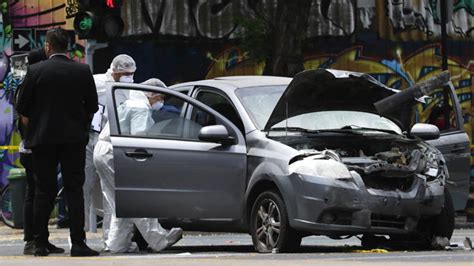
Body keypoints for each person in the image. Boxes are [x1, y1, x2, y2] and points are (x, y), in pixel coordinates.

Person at [15, 28, 99, 257]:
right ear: (68, 47)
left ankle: (40, 243)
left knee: (44, 190)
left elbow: (22, 106)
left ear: (48, 47)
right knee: (74, 190)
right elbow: (92, 106)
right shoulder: (82, 70)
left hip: (43, 140)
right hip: (73, 140)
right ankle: (78, 243)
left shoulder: (35, 70)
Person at [94, 78, 183, 253]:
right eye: (160, 98)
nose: (161, 103)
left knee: (121, 204)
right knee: (136, 200)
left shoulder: (131, 103)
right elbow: (138, 139)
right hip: (115, 154)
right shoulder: (140, 107)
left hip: (104, 151)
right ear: (152, 94)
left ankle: (116, 244)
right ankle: (158, 239)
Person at [14, 48, 65, 255]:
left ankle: (40, 237)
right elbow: (24, 116)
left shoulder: (29, 82)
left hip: (33, 145)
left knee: (39, 192)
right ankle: (32, 239)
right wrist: (32, 138)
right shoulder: (30, 84)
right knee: (35, 193)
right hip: (33, 146)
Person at [85, 54, 137, 246]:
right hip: (90, 140)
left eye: (131, 73)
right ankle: (78, 238)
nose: (129, 76)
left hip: (110, 142)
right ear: (115, 71)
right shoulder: (97, 82)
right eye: (125, 73)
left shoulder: (129, 89)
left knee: (110, 193)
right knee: (84, 188)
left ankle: (110, 239)